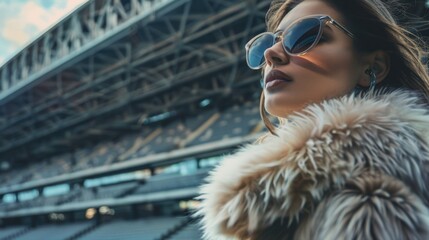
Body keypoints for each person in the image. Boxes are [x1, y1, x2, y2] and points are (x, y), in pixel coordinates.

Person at [195, 0, 429, 239]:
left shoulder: (368, 200)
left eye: (305, 36)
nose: (270, 54)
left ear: (373, 67)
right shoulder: (283, 194)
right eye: (267, 43)